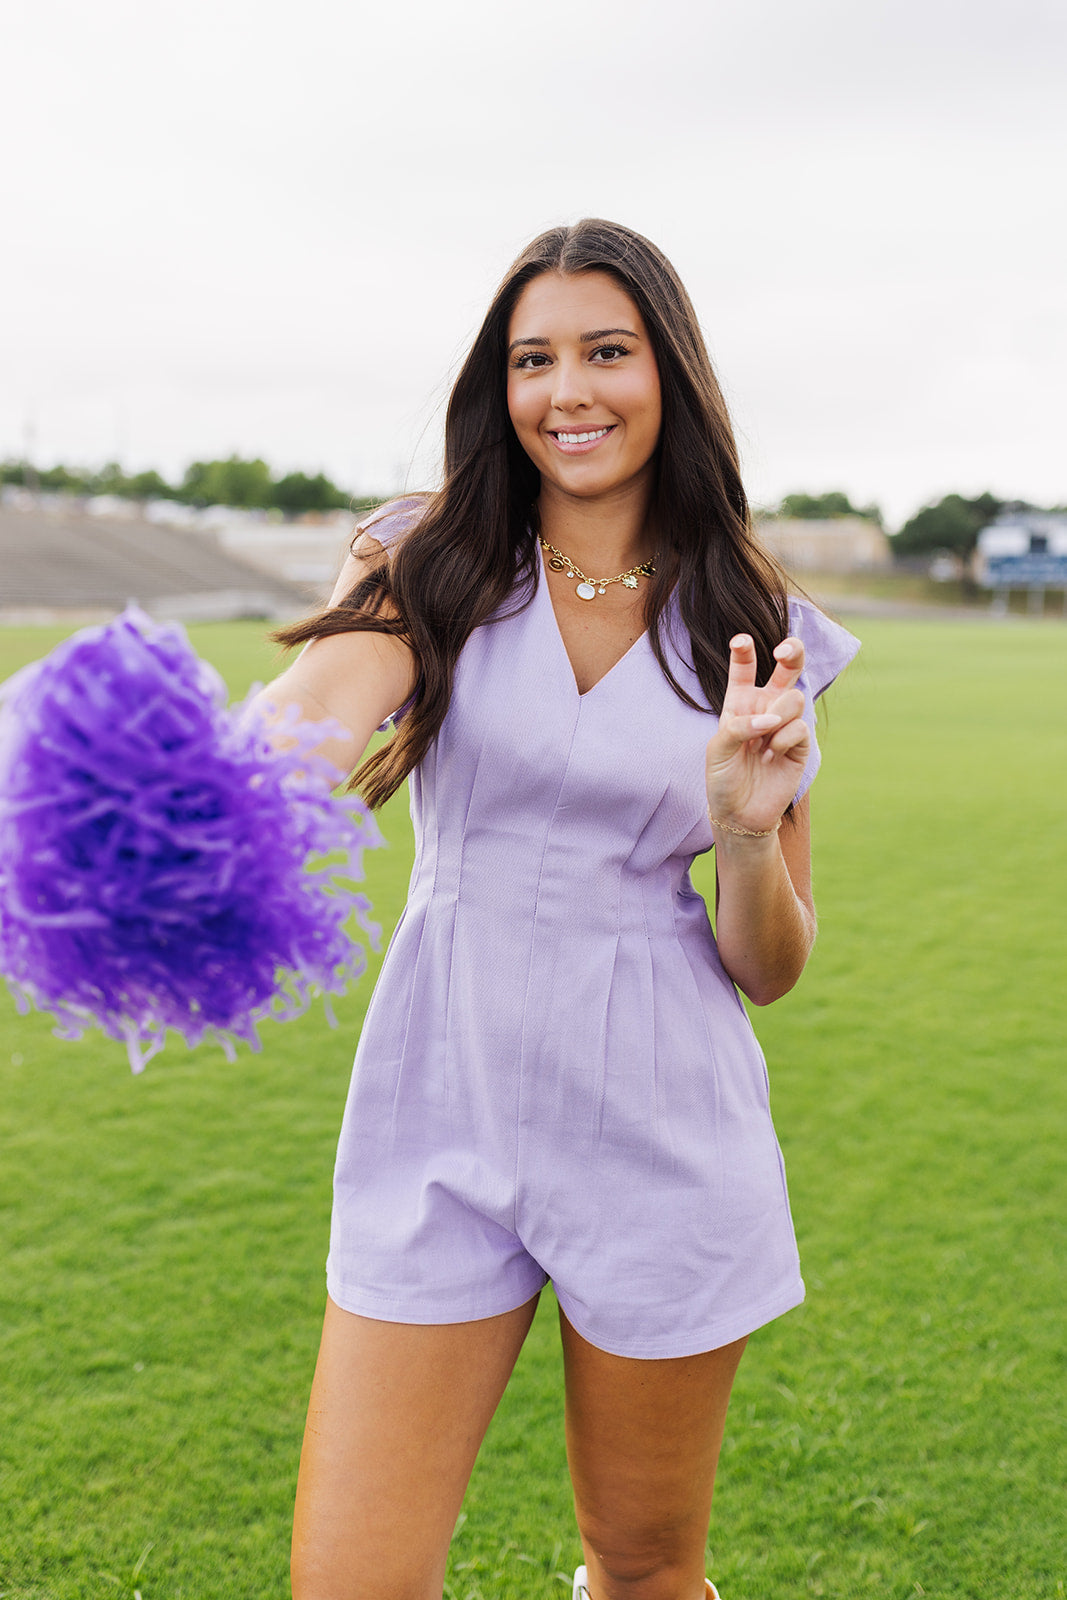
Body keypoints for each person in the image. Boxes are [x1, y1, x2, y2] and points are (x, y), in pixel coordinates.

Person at [258, 218, 859, 1600]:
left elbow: (770, 964)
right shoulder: (428, 557)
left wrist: (744, 827)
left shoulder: (755, 618)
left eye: (606, 352)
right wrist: (187, 796)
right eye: (533, 360)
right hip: (438, 1098)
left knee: (644, 1571)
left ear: (670, 374)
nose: (567, 390)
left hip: (664, 1121)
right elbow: (314, 709)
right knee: (351, 1583)